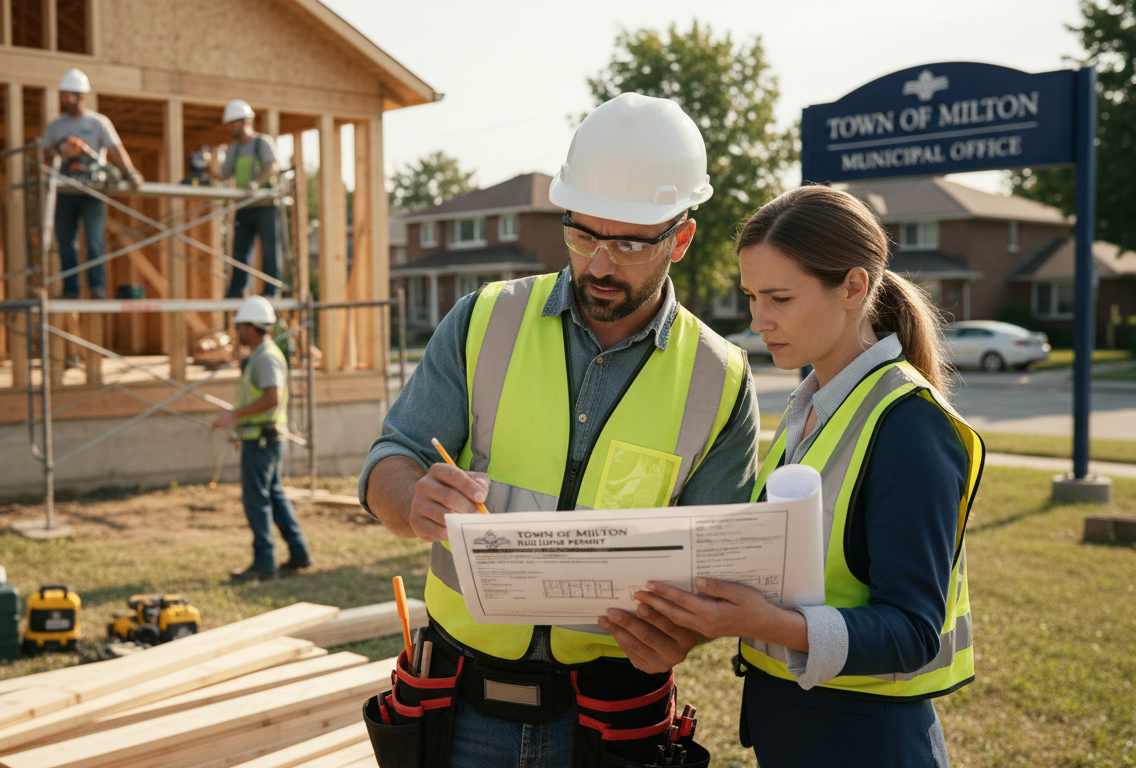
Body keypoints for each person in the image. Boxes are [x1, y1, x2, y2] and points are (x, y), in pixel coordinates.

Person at [360, 93, 759, 767]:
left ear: (682, 238)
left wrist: (682, 634)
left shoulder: (720, 379)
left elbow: (719, 567)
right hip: (460, 708)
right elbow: (390, 460)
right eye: (583, 235)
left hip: (609, 719)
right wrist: (410, 499)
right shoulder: (483, 319)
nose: (600, 264)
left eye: (630, 243)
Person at [630, 185, 983, 767]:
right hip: (797, 729)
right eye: (750, 297)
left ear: (853, 287)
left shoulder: (910, 427)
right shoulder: (813, 409)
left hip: (869, 741)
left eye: (780, 298)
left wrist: (767, 623)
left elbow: (913, 631)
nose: (757, 320)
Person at [211, 296, 311, 582]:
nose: (237, 331)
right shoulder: (260, 354)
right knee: (275, 496)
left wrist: (236, 414)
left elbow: (271, 397)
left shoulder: (265, 357)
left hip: (262, 440)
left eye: (240, 326)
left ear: (252, 327)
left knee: (257, 500)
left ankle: (264, 564)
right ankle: (299, 553)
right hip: (264, 438)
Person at [42, 68, 143, 299]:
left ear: (82, 96)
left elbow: (116, 149)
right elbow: (45, 157)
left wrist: (130, 172)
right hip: (66, 190)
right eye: (64, 95)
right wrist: (60, 150)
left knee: (95, 242)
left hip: (93, 191)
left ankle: (97, 288)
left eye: (72, 95)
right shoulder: (56, 127)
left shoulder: (98, 122)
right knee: (66, 243)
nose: (67, 99)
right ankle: (71, 289)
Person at [219, 99, 282, 298]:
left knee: (269, 250)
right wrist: (206, 170)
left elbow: (273, 166)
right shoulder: (234, 148)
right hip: (244, 206)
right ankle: (237, 290)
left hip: (265, 205)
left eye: (232, 124)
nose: (230, 128)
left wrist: (256, 182)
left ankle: (271, 290)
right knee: (239, 251)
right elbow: (224, 173)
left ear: (244, 122)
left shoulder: (262, 142)